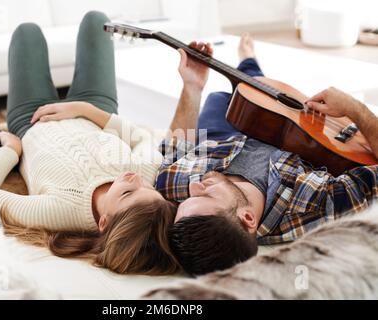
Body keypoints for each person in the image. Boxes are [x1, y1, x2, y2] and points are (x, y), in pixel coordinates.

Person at [0, 11, 180, 275]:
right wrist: (85, 110)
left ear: (104, 222)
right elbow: (141, 137)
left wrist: (11, 150)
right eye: (147, 188)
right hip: (93, 108)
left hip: (31, 119)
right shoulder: (144, 175)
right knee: (97, 21)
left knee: (26, 32)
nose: (134, 179)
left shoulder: (57, 211)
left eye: (127, 192)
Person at [156, 34, 378, 275]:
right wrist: (355, 109)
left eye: (185, 200)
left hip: (221, 140)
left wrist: (192, 86)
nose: (195, 187)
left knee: (221, 97)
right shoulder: (314, 205)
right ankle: (249, 61)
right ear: (248, 218)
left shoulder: (175, 187)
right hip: (292, 139)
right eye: (206, 196)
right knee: (262, 99)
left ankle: (248, 67)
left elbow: (174, 150)